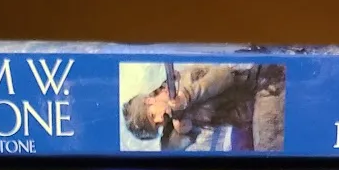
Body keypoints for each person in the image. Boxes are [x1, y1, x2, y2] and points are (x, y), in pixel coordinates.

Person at [122, 63, 284, 151]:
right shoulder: (175, 123)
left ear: (149, 100)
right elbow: (168, 150)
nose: (160, 120)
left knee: (268, 150)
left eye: (152, 115)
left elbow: (224, 76)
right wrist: (182, 133)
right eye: (157, 126)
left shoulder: (182, 79)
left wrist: (187, 96)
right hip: (251, 114)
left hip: (264, 84)